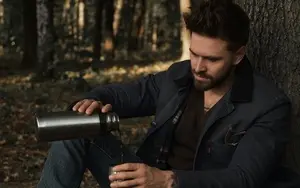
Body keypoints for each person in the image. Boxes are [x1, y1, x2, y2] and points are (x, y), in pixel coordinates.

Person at [37, 0, 300, 187]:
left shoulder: (268, 105)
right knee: (76, 127)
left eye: (211, 59)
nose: (198, 67)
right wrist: (94, 100)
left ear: (238, 55)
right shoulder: (179, 75)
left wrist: (169, 180)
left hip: (176, 183)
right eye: (194, 54)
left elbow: (243, 178)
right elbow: (125, 94)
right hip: (146, 180)